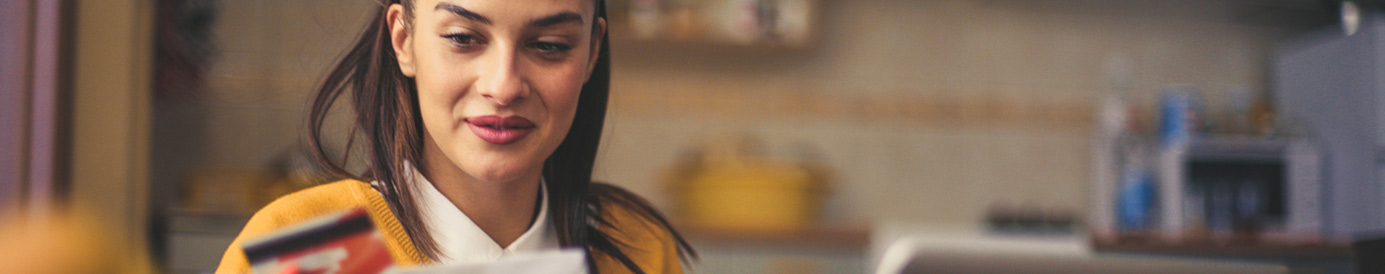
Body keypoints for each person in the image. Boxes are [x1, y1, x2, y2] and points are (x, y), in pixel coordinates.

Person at [214, 0, 694, 273]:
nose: (503, 86)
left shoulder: (637, 248)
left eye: (549, 46)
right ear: (404, 40)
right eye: (464, 38)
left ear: (591, 54)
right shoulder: (304, 246)